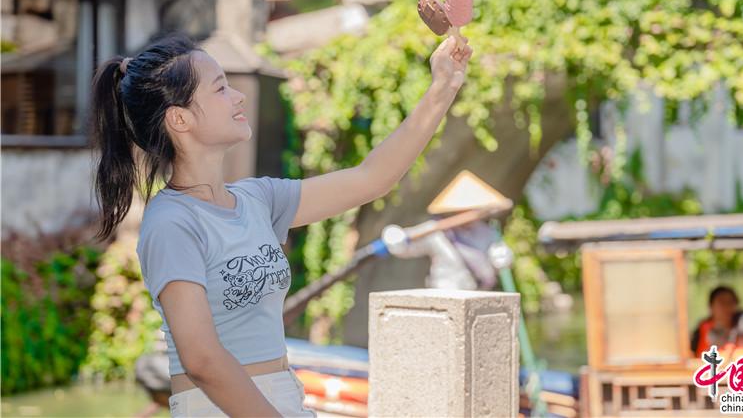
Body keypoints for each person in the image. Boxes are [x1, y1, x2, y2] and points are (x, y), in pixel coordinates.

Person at [89, 31, 473, 417]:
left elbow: (372, 178)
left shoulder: (258, 200)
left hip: (282, 398)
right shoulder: (171, 222)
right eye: (220, 89)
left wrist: (442, 87)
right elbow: (201, 359)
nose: (238, 97)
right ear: (180, 119)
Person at [691, 285, 739, 357]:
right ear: (711, 306)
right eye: (722, 302)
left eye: (730, 302)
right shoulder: (699, 333)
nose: (727, 306)